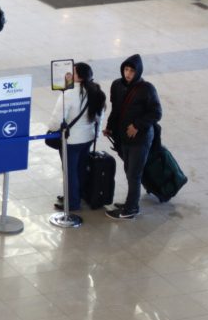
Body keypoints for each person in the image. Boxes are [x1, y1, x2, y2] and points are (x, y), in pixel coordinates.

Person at [103, 54, 162, 220]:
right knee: (129, 170)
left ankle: (131, 208)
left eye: (131, 71)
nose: (128, 73)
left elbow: (156, 112)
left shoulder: (147, 89)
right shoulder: (117, 85)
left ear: (138, 72)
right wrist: (109, 127)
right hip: (123, 138)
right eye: (126, 69)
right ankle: (130, 201)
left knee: (134, 174)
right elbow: (116, 110)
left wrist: (137, 125)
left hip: (140, 140)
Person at [48, 63, 105, 212]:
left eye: (73, 72)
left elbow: (57, 119)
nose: (70, 74)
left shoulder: (69, 94)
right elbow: (100, 117)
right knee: (80, 169)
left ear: (79, 76)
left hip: (71, 141)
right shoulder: (97, 92)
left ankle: (72, 203)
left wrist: (52, 130)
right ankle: (76, 195)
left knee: (69, 171)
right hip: (88, 138)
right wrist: (95, 135)